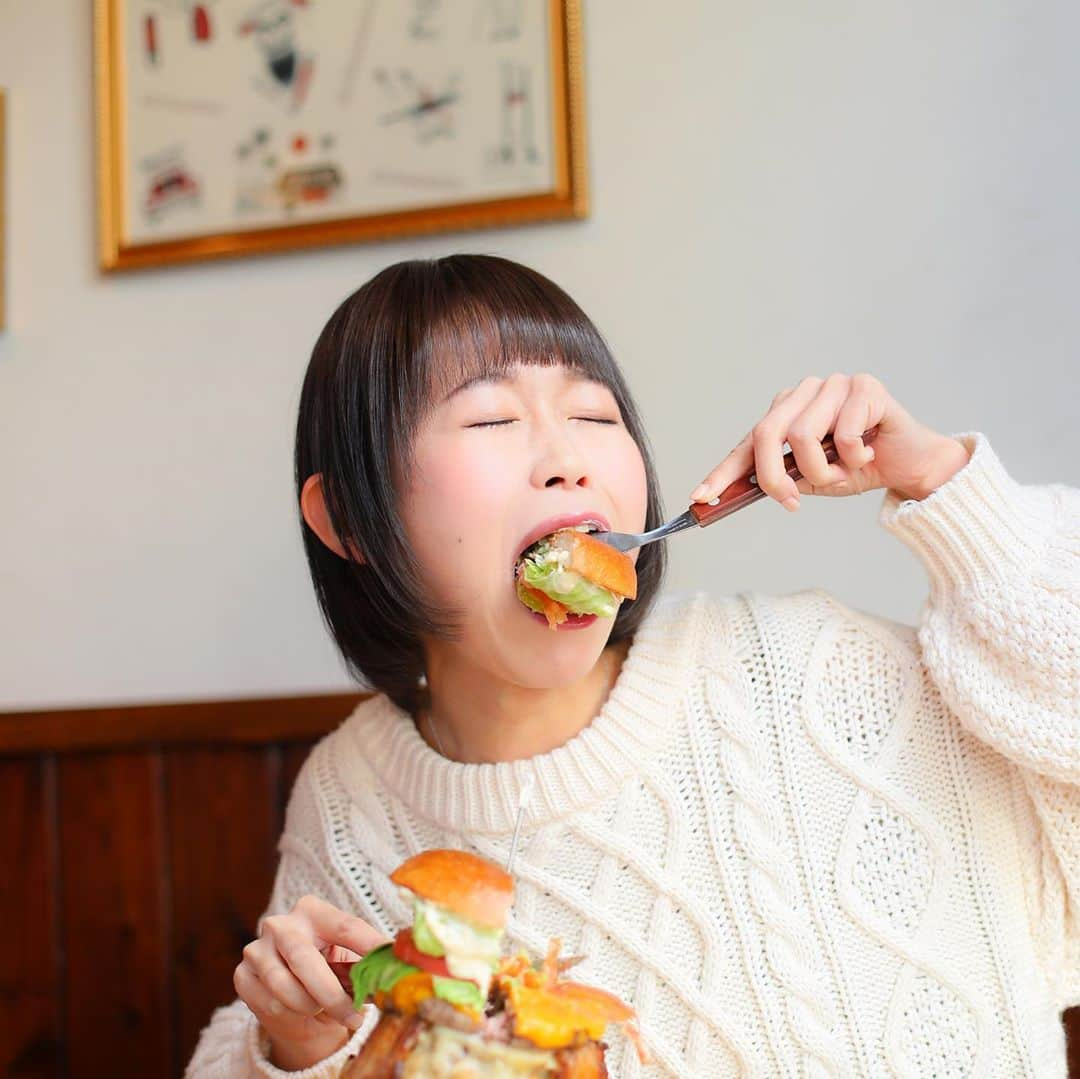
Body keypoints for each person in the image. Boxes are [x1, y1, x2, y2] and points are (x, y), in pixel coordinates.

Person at [186, 254, 1078, 1078]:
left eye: (595, 415)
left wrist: (948, 489)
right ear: (349, 519)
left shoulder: (816, 670)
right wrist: (297, 1045)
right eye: (491, 417)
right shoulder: (351, 799)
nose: (569, 458)